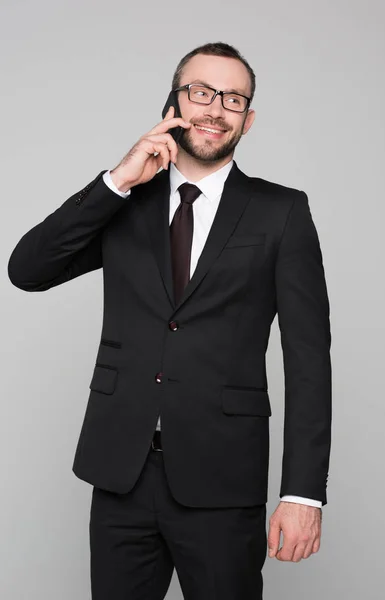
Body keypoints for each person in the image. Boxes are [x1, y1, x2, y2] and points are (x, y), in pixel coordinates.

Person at [8, 41, 332, 600]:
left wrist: (303, 494)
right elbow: (28, 269)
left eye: (233, 99)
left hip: (223, 478)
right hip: (120, 472)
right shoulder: (125, 202)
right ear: (174, 103)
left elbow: (308, 360)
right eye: (202, 92)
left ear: (247, 120)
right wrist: (116, 181)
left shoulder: (282, 212)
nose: (216, 108)